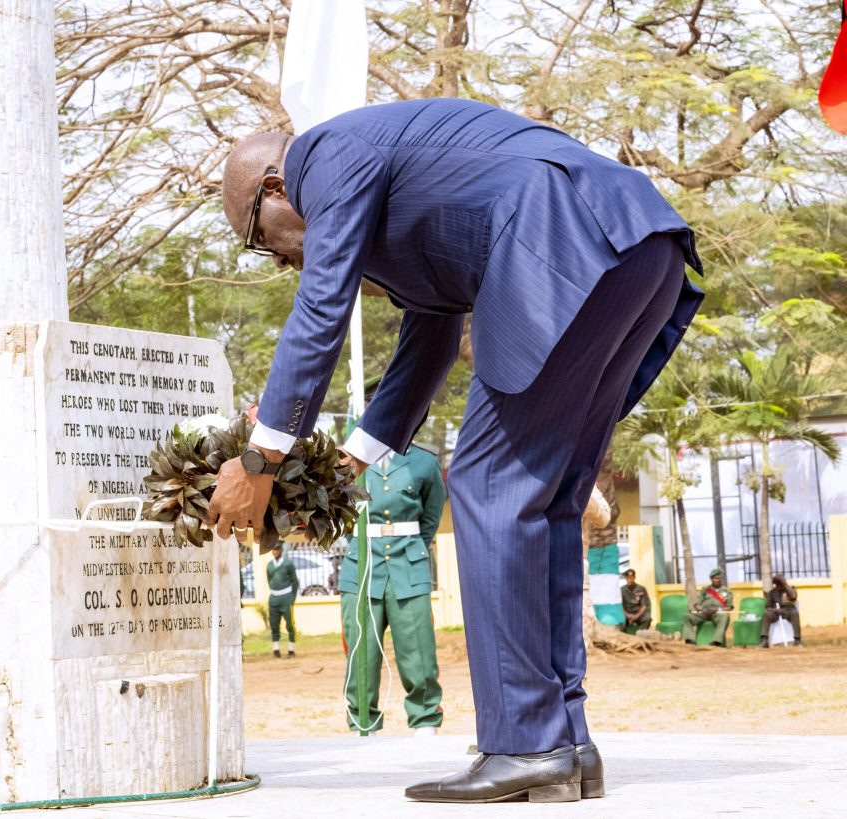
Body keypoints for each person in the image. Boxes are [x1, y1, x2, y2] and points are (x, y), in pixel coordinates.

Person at [208, 98, 702, 803]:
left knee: (488, 482)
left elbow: (322, 304)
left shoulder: (323, 156)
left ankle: (527, 742)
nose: (284, 259)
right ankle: (564, 739)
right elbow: (431, 338)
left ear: (275, 188)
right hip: (638, 245)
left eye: (265, 241)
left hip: (562, 241)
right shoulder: (400, 196)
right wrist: (346, 464)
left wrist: (259, 462)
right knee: (550, 491)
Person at [340, 381, 447, 736]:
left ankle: (425, 720)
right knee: (362, 650)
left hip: (408, 566)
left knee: (417, 649)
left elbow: (429, 519)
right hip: (362, 566)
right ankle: (362, 723)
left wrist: (410, 550)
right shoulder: (346, 461)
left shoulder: (423, 461)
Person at [682, 568, 734, 647]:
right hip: (704, 612)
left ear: (721, 578)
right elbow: (697, 604)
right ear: (711, 579)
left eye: (717, 578)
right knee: (686, 616)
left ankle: (716, 641)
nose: (715, 580)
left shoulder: (727, 591)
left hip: (717, 613)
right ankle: (690, 640)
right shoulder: (705, 590)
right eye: (713, 578)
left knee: (725, 617)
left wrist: (717, 609)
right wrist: (701, 609)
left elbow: (729, 607)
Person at [266, 542, 298, 658]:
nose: (275, 551)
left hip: (286, 598)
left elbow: (295, 581)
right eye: (273, 549)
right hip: (274, 599)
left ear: (281, 550)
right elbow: (269, 581)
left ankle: (291, 649)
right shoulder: (269, 565)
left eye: (277, 549)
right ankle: (276, 650)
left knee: (290, 625)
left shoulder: (288, 564)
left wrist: (292, 597)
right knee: (274, 625)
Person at [761, 573, 801, 647]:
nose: (780, 584)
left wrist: (785, 584)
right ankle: (764, 640)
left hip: (788, 611)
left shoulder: (790, 590)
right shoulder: (772, 592)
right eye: (779, 582)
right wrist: (774, 610)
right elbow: (768, 606)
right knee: (766, 614)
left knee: (795, 613)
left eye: (782, 581)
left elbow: (793, 596)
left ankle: (797, 640)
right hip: (776, 612)